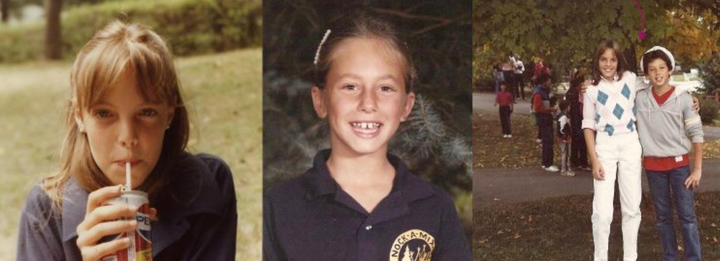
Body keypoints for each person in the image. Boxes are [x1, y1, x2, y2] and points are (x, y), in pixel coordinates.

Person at [16, 21, 237, 261]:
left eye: (147, 112)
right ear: (79, 116)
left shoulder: (207, 184)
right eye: (104, 113)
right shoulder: (45, 211)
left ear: (169, 115)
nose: (128, 138)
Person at [262, 11, 472, 261]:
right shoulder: (278, 207)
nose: (368, 103)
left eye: (385, 88)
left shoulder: (435, 206)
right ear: (321, 101)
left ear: (406, 105)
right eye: (350, 86)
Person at [636, 46, 704, 261]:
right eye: (652, 69)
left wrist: (698, 169)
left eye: (662, 68)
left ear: (670, 69)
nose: (657, 73)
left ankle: (694, 258)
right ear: (646, 73)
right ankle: (670, 257)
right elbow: (617, 88)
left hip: (679, 168)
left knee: (687, 217)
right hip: (653, 168)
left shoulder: (684, 98)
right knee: (663, 218)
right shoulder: (639, 98)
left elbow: (697, 133)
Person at [582, 40, 643, 261]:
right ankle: (600, 257)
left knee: (631, 207)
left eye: (613, 59)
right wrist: (594, 160)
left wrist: (689, 100)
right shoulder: (591, 90)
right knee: (602, 212)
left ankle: (630, 257)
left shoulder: (631, 80)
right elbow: (588, 126)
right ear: (597, 61)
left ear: (619, 61)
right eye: (603, 59)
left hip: (629, 143)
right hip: (604, 146)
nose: (608, 64)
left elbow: (658, 86)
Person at [531, 73, 559, 172]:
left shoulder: (544, 91)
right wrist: (551, 109)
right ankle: (548, 163)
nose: (550, 82)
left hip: (546, 118)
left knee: (546, 141)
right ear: (544, 82)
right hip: (544, 119)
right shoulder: (538, 93)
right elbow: (537, 108)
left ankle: (545, 162)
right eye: (548, 81)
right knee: (548, 141)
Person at [566, 75, 589, 170]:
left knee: (576, 142)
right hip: (578, 120)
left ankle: (575, 160)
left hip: (575, 120)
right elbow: (578, 109)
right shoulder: (576, 95)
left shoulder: (571, 94)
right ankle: (582, 162)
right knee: (582, 142)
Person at [556, 100, 573, 177]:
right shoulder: (563, 117)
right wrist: (565, 136)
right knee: (565, 153)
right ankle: (564, 169)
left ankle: (567, 168)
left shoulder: (564, 116)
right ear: (566, 107)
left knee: (566, 153)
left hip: (564, 137)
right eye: (569, 106)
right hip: (564, 138)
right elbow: (562, 128)